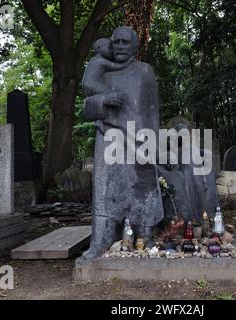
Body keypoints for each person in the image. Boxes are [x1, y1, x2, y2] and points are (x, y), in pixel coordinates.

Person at [78, 27, 164, 260]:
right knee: (106, 188)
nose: (120, 46)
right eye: (116, 42)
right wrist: (104, 99)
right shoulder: (102, 71)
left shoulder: (145, 71)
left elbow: (153, 108)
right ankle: (102, 239)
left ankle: (144, 234)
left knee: (143, 185)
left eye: (126, 43)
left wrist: (153, 141)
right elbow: (87, 108)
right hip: (108, 136)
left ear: (136, 47)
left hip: (139, 138)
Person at [82, 38, 130, 131]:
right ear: (99, 49)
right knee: (113, 95)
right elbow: (116, 67)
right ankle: (111, 120)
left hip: (89, 85)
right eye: (109, 47)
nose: (112, 50)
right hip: (92, 84)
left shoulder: (94, 60)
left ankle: (109, 118)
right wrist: (128, 63)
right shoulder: (99, 61)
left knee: (111, 98)